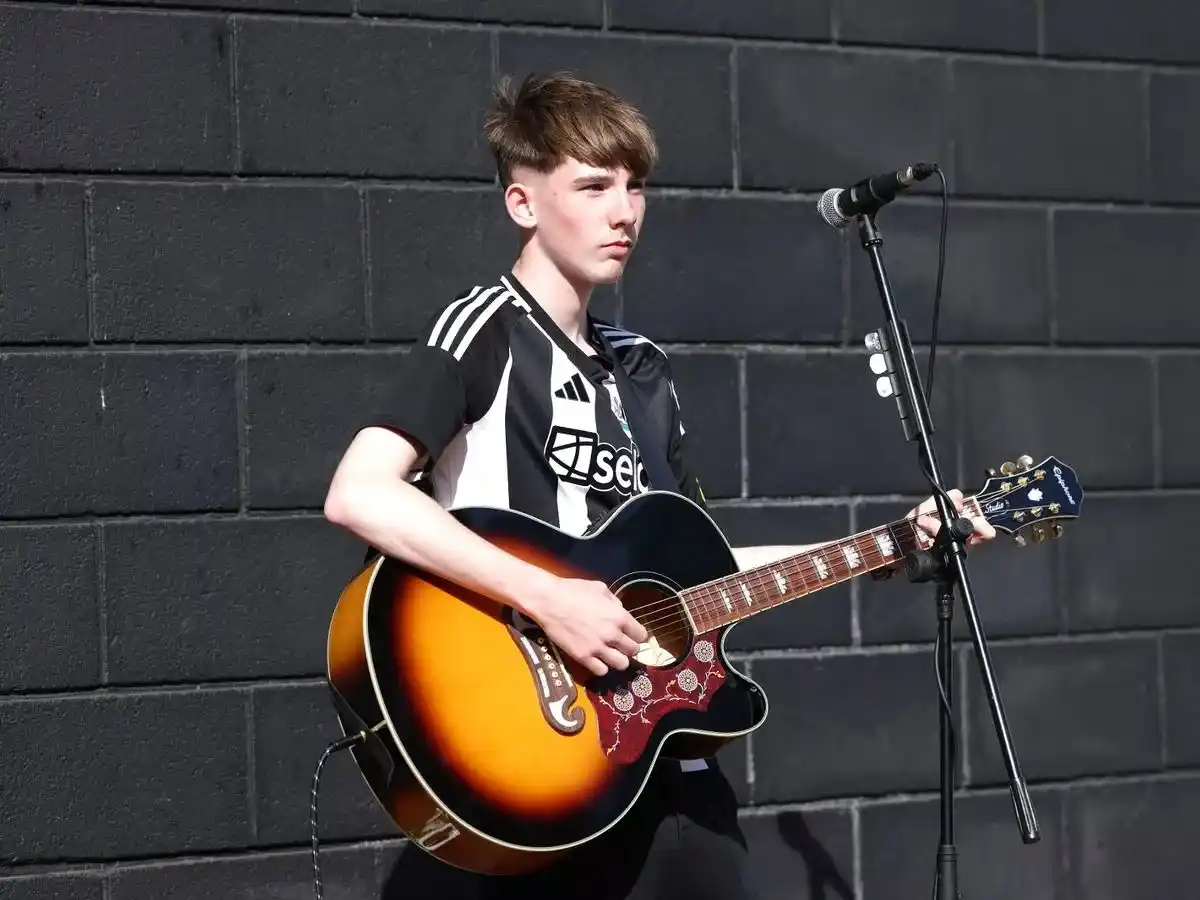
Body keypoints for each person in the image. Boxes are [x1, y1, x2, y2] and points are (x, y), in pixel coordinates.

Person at [323, 71, 996, 900]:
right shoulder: (483, 331)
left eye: (635, 186)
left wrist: (894, 545)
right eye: (594, 185)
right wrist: (549, 598)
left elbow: (705, 570)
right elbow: (359, 492)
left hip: (657, 747)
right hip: (537, 741)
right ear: (522, 205)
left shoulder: (643, 369)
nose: (625, 211)